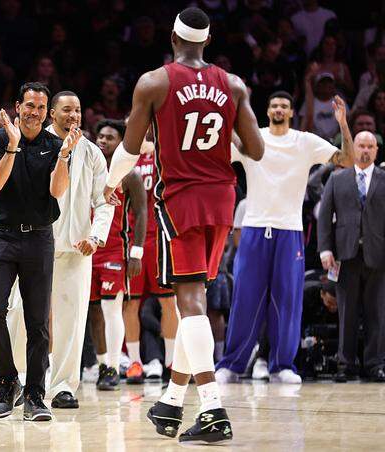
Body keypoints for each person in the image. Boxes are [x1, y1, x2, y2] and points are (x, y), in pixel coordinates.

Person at [102, 7, 264, 444]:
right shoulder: (233, 85)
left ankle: (212, 409)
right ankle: (172, 403)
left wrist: (109, 184)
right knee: (198, 298)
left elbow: (130, 148)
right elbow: (256, 149)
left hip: (183, 199)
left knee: (189, 301)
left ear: (172, 36)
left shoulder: (154, 81)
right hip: (224, 198)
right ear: (207, 41)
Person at [217, 91, 352, 385]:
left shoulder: (304, 141)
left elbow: (347, 159)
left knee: (288, 300)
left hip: (289, 230)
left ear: (291, 112)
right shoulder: (253, 139)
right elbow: (219, 149)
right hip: (253, 227)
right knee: (245, 299)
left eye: (284, 106)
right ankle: (232, 364)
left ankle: (282, 366)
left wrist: (343, 123)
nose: (279, 109)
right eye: (274, 105)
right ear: (267, 110)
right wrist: (235, 109)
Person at [5, 91, 115, 408]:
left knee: (72, 318)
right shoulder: (33, 145)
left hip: (76, 249)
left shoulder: (93, 152)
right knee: (19, 314)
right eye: (67, 110)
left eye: (78, 110)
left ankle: (63, 385)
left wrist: (95, 237)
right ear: (52, 113)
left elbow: (103, 202)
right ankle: (19, 380)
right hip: (32, 244)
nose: (74, 115)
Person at [0, 82, 80, 421]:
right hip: (2, 234)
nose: (35, 112)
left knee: (38, 321)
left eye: (41, 107)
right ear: (17, 106)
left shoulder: (56, 144)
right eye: (30, 105)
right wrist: (12, 146)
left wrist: (65, 155)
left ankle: (36, 394)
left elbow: (57, 190)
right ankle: (8, 381)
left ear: (46, 111)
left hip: (39, 237)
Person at [318, 131, 385, 382]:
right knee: (346, 312)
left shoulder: (384, 179)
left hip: (378, 256)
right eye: (361, 146)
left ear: (376, 150)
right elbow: (324, 217)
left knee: (377, 313)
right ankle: (345, 364)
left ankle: (375, 364)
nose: (365, 150)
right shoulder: (337, 179)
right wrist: (325, 249)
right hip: (345, 255)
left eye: (370, 146)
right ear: (353, 149)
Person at [88, 119, 146, 391]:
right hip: (86, 249)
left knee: (112, 309)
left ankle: (112, 366)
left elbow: (143, 212)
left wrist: (136, 251)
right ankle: (102, 365)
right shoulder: (87, 169)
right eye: (100, 136)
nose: (102, 141)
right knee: (93, 312)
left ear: (121, 142)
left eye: (110, 137)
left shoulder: (130, 174)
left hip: (115, 250)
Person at [125, 135, 178, 384]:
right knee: (131, 303)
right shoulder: (125, 156)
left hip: (160, 237)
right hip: (133, 237)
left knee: (168, 301)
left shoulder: (166, 152)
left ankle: (171, 362)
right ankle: (135, 361)